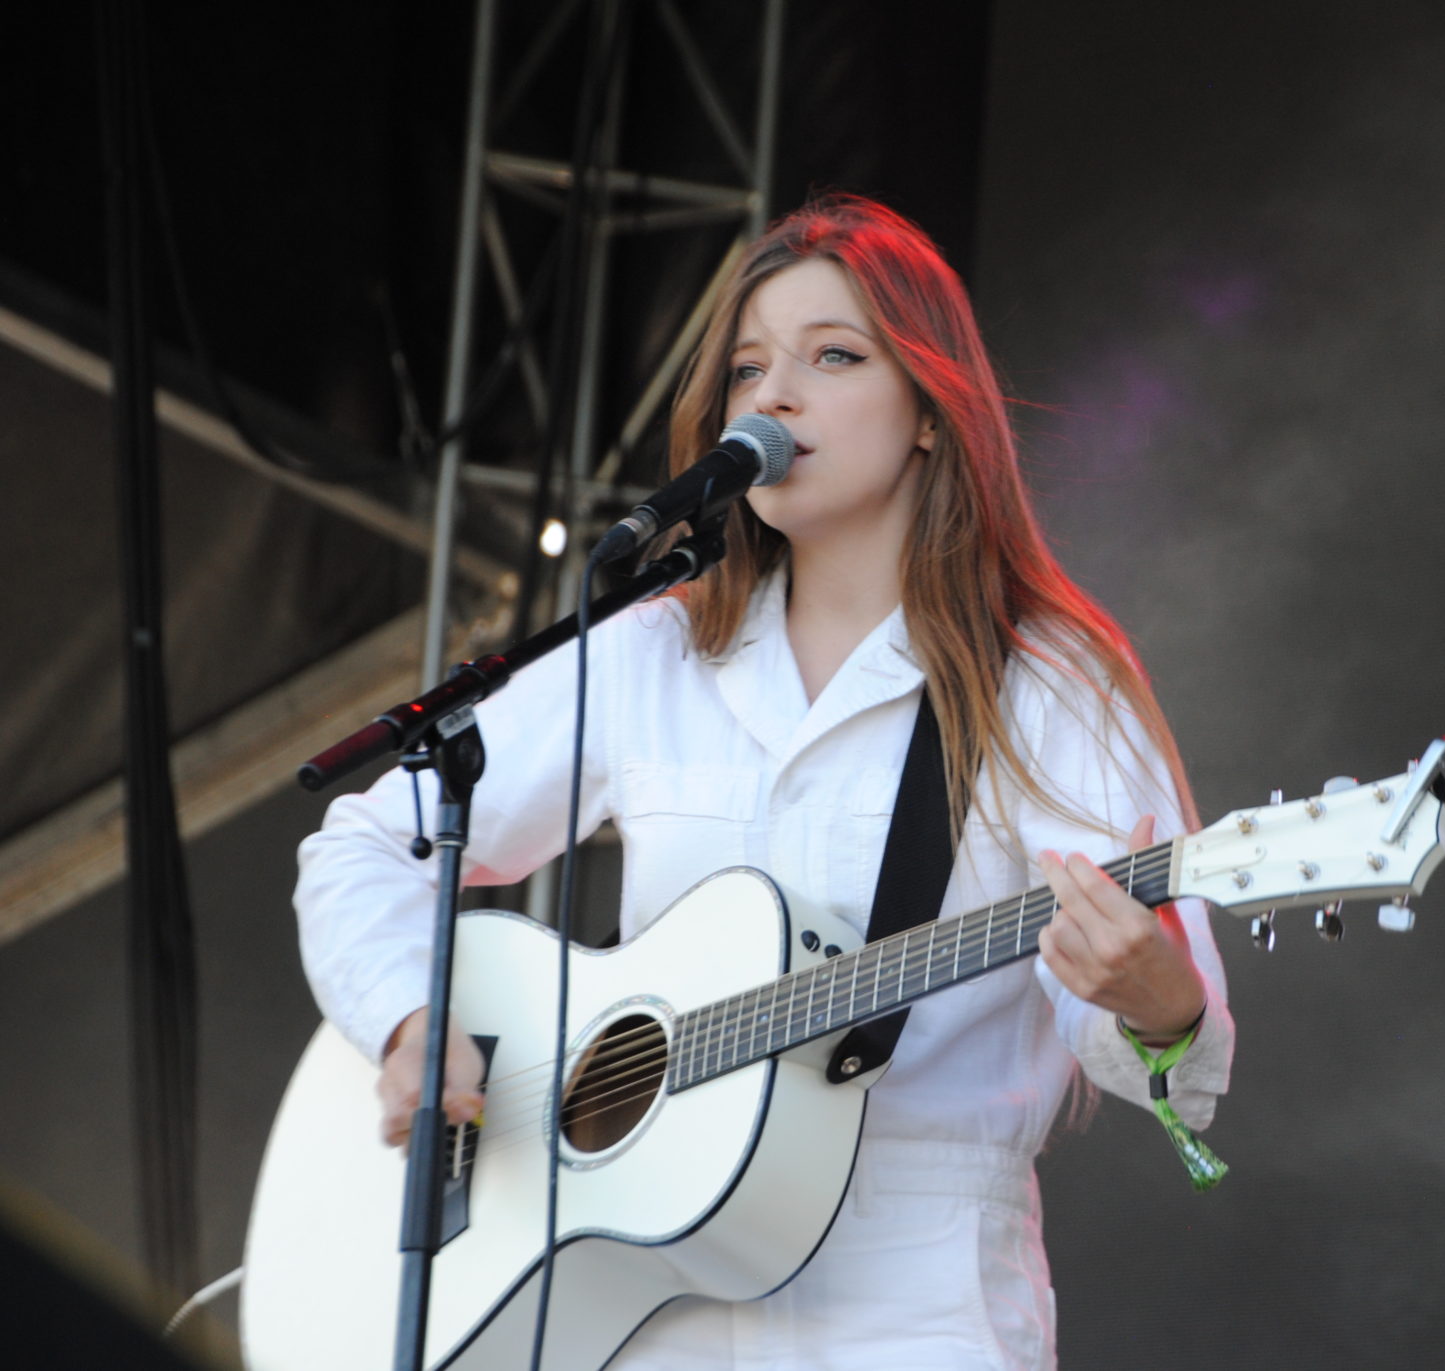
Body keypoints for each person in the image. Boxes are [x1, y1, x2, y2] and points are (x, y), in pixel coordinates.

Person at [295, 194, 1234, 1369]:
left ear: (929, 411)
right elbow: (362, 846)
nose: (773, 397)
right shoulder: (649, 650)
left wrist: (1156, 1002)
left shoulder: (1047, 683)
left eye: (831, 356)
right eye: (747, 368)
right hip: (635, 1307)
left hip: (913, 1304)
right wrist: (411, 1020)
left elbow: (1175, 1057)